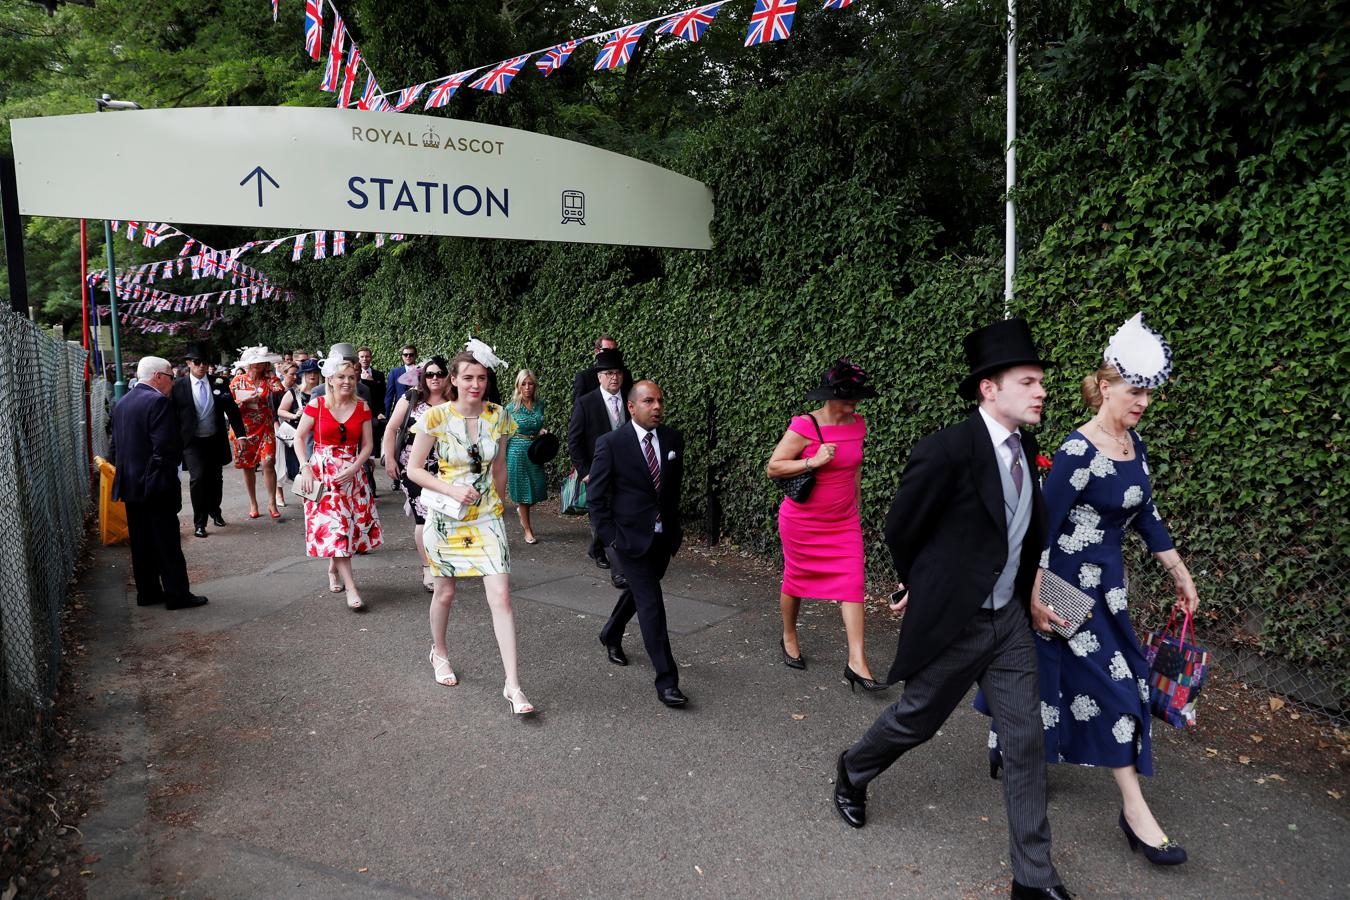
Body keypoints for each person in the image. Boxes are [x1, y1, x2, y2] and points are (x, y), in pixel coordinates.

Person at [833, 318, 1076, 900]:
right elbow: (902, 528)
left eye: (1041, 380)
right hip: (958, 623)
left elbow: (1019, 532)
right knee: (917, 718)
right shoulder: (946, 450)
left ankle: (1033, 879)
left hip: (1010, 622)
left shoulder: (1028, 446)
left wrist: (1033, 597)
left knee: (1024, 741)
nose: (1041, 390)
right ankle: (853, 769)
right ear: (989, 389)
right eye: (1028, 380)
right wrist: (924, 582)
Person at [979, 313, 1197, 867]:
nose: (1143, 402)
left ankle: (1007, 739)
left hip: (1110, 594)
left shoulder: (1134, 446)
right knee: (1123, 691)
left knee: (1048, 674)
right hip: (1065, 588)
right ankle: (1135, 814)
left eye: (1149, 393)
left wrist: (1180, 574)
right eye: (1134, 391)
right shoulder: (1079, 452)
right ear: (1105, 386)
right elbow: (1038, 526)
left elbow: (1146, 515)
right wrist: (1033, 593)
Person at [407, 351, 535, 715]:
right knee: (445, 593)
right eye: (468, 378)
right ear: (454, 380)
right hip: (447, 517)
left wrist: (500, 503)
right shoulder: (435, 416)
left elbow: (499, 467)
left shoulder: (500, 416)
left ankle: (513, 685)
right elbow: (415, 470)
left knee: (502, 598)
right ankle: (440, 652)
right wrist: (450, 490)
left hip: (487, 518)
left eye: (481, 378)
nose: (476, 385)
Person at [766, 358, 883, 690]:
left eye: (857, 398)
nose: (854, 404)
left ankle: (857, 663)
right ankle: (789, 635)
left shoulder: (858, 424)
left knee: (853, 583)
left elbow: (855, 468)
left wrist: (856, 506)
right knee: (795, 580)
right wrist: (812, 461)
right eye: (848, 397)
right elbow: (774, 467)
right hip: (803, 522)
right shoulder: (804, 426)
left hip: (844, 521)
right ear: (830, 396)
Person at [588, 380, 688, 708]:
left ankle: (611, 632)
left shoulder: (674, 439)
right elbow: (596, 498)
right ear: (632, 407)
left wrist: (673, 530)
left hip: (663, 538)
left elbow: (671, 491)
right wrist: (612, 540)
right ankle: (667, 680)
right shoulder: (612, 443)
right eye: (648, 401)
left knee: (639, 593)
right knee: (651, 604)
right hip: (628, 539)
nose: (657, 406)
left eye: (660, 400)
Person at [109, 357, 208, 610]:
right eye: (171, 377)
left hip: (131, 483)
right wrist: (162, 478)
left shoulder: (122, 403)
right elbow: (166, 448)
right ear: (158, 377)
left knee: (141, 542)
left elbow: (115, 447)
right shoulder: (157, 402)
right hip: (154, 484)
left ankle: (148, 591)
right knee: (167, 542)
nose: (172, 383)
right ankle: (177, 594)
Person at [293, 355, 383, 610]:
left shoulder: (363, 407)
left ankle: (333, 568)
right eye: (341, 377)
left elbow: (367, 445)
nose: (347, 381)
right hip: (322, 473)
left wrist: (355, 466)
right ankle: (352, 588)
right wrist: (306, 468)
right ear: (330, 380)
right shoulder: (317, 405)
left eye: (351, 377)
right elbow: (299, 438)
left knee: (347, 529)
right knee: (337, 528)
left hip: (352, 474)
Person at [382, 356, 452, 593]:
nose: (434, 378)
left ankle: (443, 560)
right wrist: (390, 458)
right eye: (430, 374)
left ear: (448, 376)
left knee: (443, 514)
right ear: (423, 376)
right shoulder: (412, 398)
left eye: (439, 374)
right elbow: (391, 428)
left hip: (447, 468)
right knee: (424, 516)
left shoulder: (454, 401)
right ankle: (427, 567)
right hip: (413, 466)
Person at [567, 347, 630, 584]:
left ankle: (597, 547)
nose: (614, 377)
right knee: (601, 513)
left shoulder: (630, 399)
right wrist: (584, 472)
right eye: (609, 373)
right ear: (599, 377)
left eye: (618, 373)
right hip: (597, 470)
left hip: (625, 469)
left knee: (618, 514)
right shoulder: (586, 403)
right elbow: (574, 439)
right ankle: (619, 570)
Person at [171, 344, 245, 539]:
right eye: (197, 362)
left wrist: (241, 434)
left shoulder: (219, 382)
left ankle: (215, 510)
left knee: (215, 478)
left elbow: (232, 410)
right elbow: (172, 415)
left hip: (214, 438)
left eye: (205, 362)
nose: (202, 366)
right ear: (189, 363)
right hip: (192, 441)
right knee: (198, 478)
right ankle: (199, 522)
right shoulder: (178, 386)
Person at [229, 346, 285, 520]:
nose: (259, 365)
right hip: (243, 428)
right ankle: (253, 503)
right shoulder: (237, 381)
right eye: (255, 362)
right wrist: (244, 400)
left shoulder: (268, 379)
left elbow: (279, 389)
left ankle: (272, 503)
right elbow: (230, 406)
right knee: (248, 466)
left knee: (268, 461)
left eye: (261, 362)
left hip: (265, 425)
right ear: (248, 364)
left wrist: (271, 374)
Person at [505, 369, 548, 544]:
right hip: (516, 451)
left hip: (535, 451)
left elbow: (538, 424)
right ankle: (528, 530)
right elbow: (504, 433)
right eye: (523, 383)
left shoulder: (539, 404)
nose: (527, 387)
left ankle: (522, 511)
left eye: (530, 383)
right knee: (523, 493)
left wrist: (541, 431)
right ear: (518, 385)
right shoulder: (511, 407)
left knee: (537, 489)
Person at [571, 335, 633, 407]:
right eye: (606, 350)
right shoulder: (584, 377)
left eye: (614, 351)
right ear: (597, 351)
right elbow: (579, 407)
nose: (610, 354)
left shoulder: (625, 374)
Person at [384, 344, 418, 420]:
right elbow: (389, 395)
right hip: (399, 410)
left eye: (411, 354)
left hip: (417, 411)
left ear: (415, 356)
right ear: (402, 356)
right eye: (405, 355)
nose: (408, 357)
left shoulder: (422, 371)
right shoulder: (394, 372)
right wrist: (386, 416)